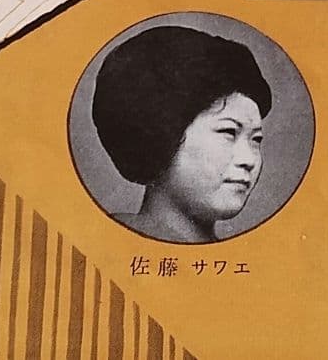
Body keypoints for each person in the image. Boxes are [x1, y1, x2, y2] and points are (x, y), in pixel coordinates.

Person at [91, 25, 272, 244]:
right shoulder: (111, 243)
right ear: (164, 135)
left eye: (256, 139)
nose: (249, 160)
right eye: (229, 132)